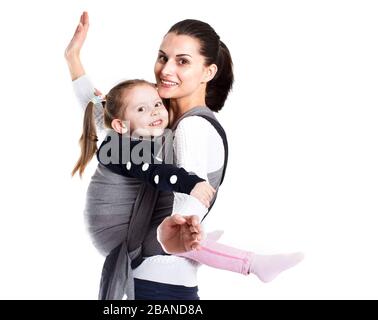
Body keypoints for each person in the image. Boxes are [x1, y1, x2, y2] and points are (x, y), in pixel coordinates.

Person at [65, 12, 303, 300]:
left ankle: (251, 263)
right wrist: (74, 59)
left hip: (160, 283)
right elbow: (108, 118)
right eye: (163, 57)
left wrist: (214, 249)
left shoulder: (192, 128)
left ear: (208, 73)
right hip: (149, 280)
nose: (166, 69)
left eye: (183, 61)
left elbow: (186, 215)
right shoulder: (160, 118)